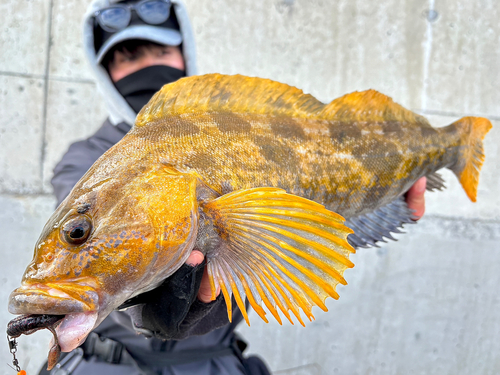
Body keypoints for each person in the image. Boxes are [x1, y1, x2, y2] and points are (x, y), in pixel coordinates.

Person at [44, 0, 428, 373]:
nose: (147, 66)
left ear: (185, 53)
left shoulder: (236, 129)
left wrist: (386, 205)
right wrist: (154, 306)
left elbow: (305, 234)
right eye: (128, 57)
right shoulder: (84, 162)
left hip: (218, 362)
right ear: (104, 70)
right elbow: (116, 256)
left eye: (160, 49)